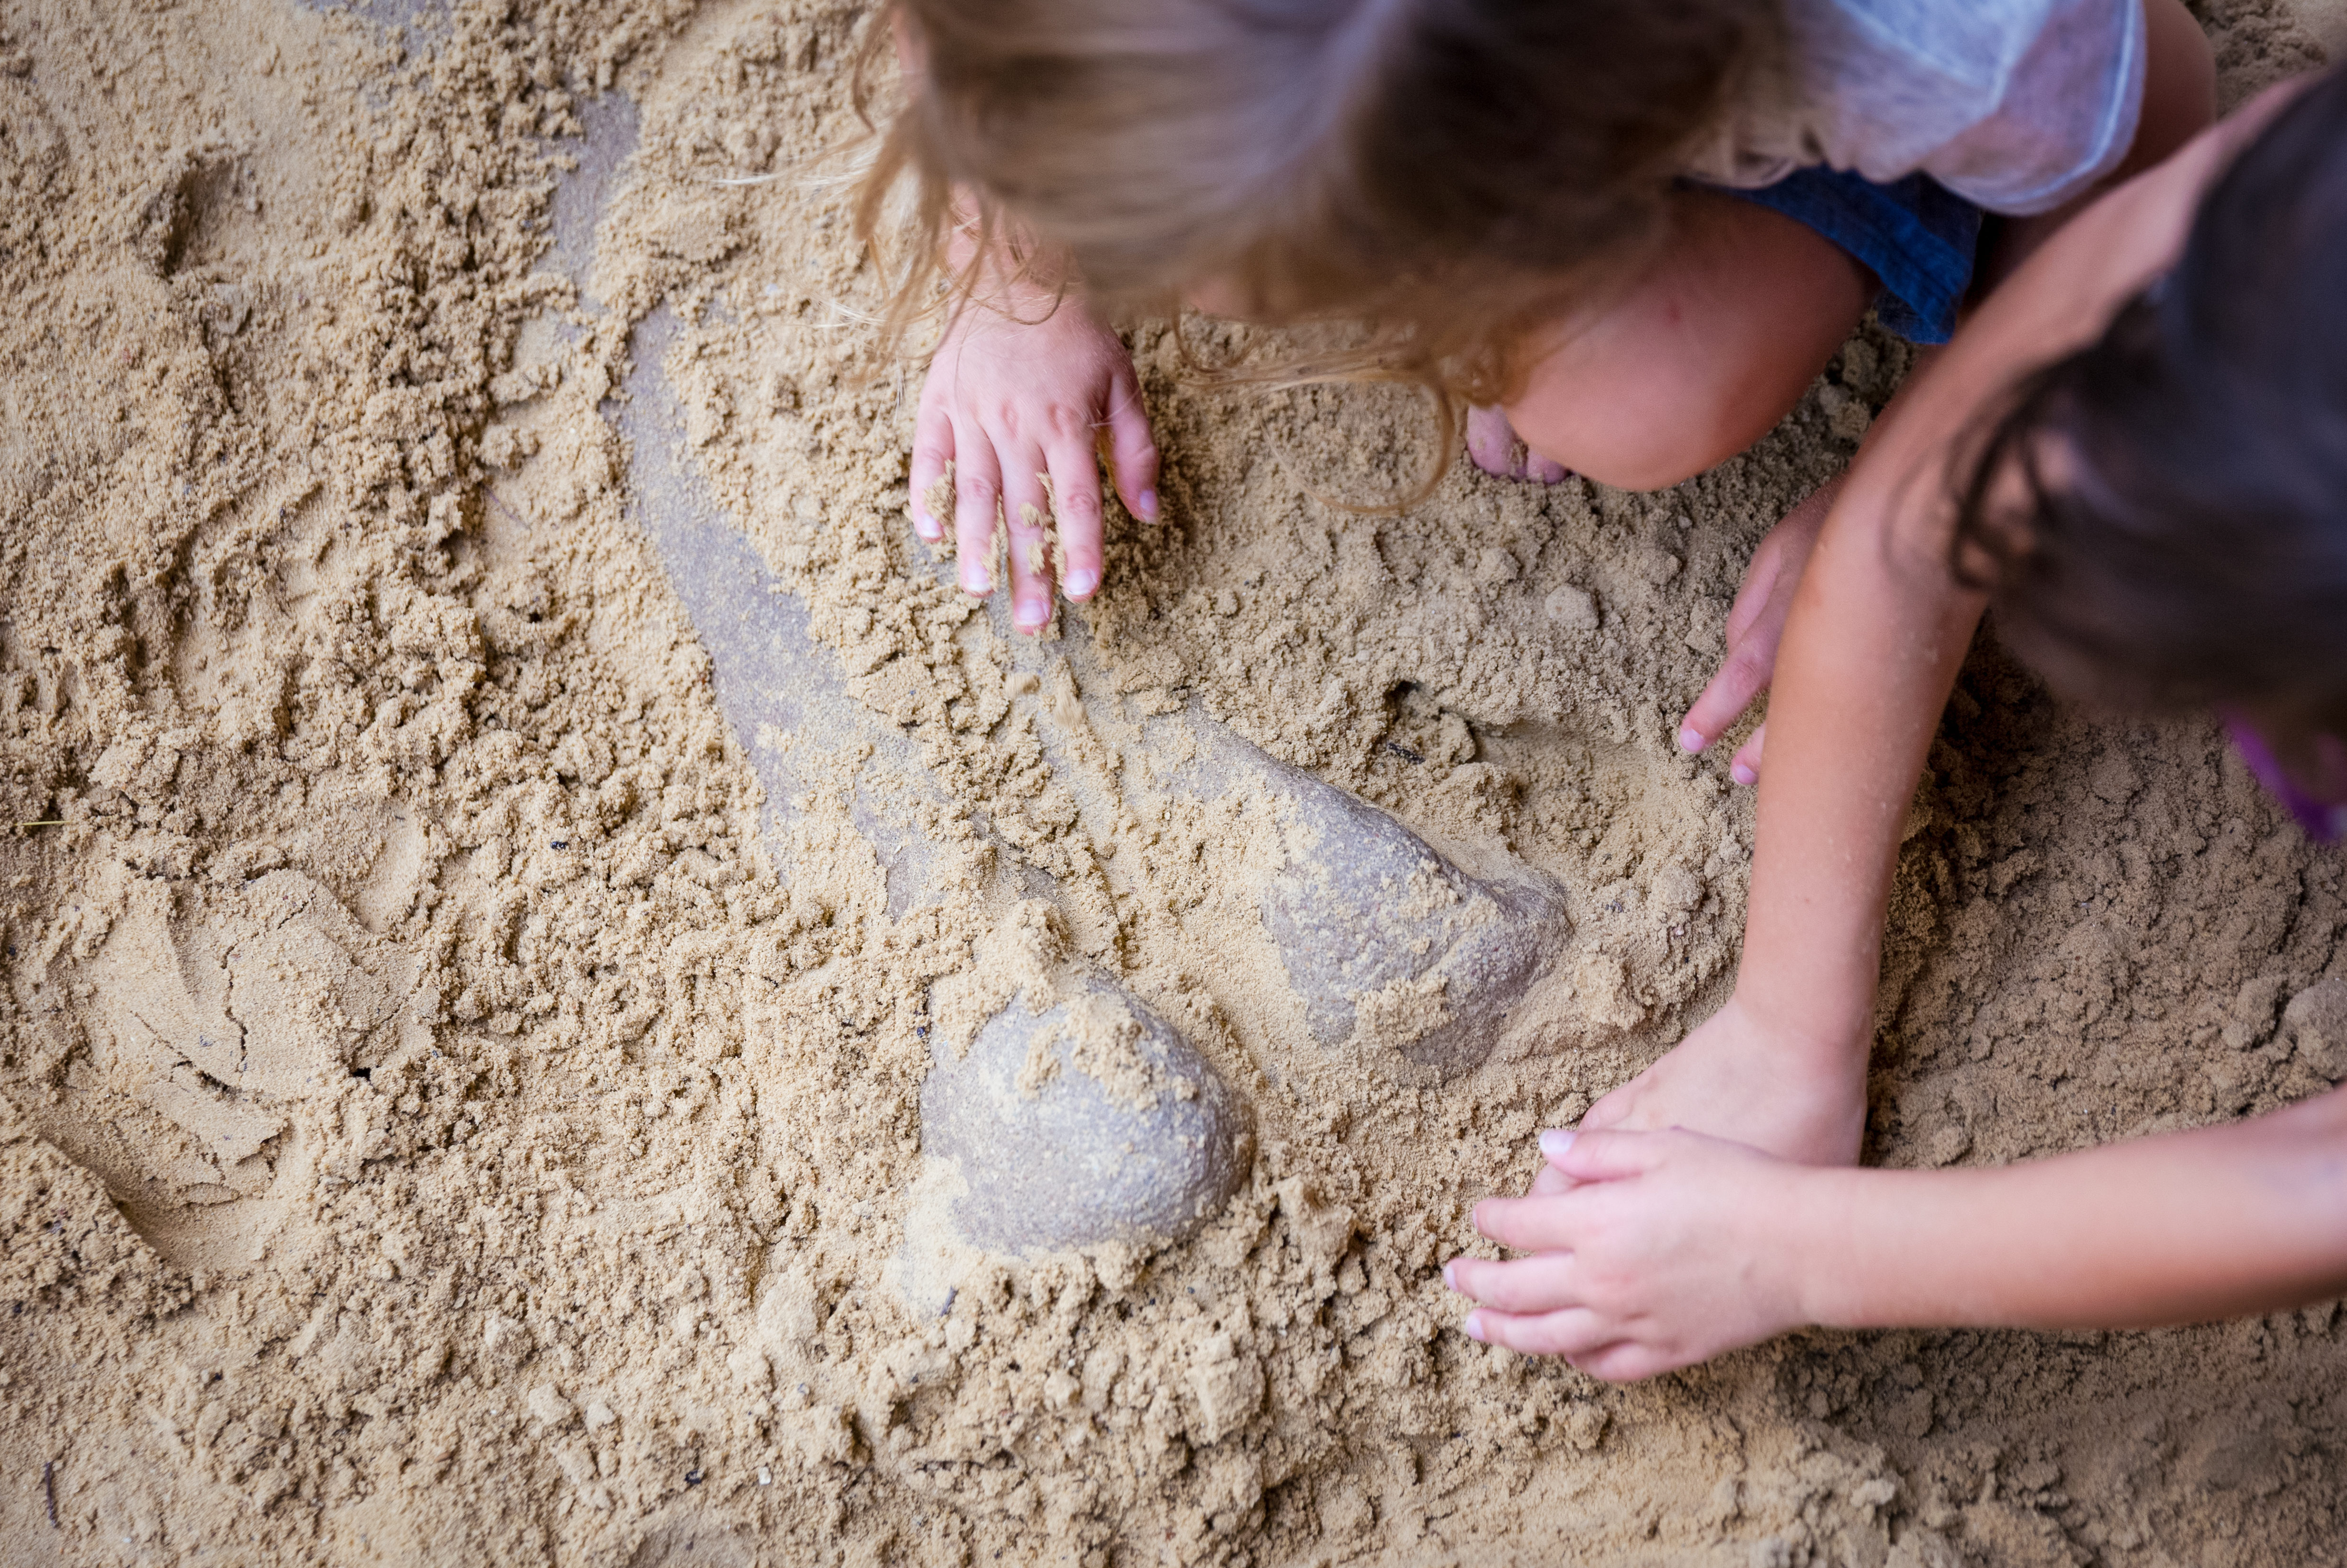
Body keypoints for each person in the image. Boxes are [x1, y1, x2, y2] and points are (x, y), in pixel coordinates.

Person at [1444, 69, 2347, 1382]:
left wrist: (1800, 1249)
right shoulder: (2284, 226)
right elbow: (1914, 535)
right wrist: (1787, 1029)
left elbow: (2319, 1185)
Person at [860, 0, 2215, 791]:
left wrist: (1918, 471)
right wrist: (1003, 270)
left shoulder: (1965, 45)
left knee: (1643, 397)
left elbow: (2153, 129)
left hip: (1805, 81)